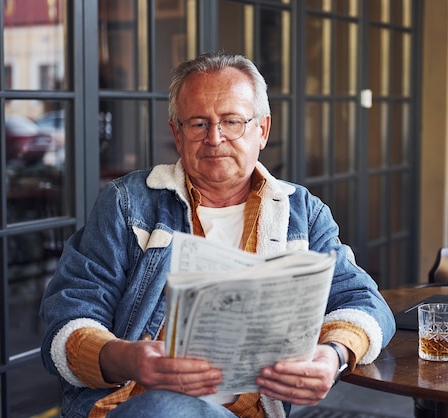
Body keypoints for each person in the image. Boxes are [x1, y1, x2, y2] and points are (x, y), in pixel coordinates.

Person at [40, 51, 396, 418]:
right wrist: (126, 359)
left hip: (250, 411)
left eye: (232, 121)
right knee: (161, 409)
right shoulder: (128, 204)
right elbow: (67, 317)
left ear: (263, 130)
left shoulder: (301, 213)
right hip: (136, 405)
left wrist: (332, 356)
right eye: (197, 123)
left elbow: (364, 301)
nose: (215, 137)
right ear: (176, 134)